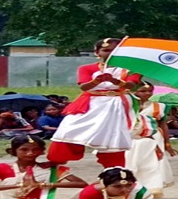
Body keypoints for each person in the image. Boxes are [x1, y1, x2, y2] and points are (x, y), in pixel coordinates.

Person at [49, 38, 139, 167]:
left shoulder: (130, 69)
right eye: (106, 50)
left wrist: (115, 81)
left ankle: (113, 169)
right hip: (91, 103)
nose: (110, 53)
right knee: (68, 129)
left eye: (115, 50)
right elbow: (84, 87)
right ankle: (56, 163)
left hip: (116, 105)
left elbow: (131, 86)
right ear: (97, 52)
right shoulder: (86, 68)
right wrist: (96, 81)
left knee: (113, 138)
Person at [127, 84, 177, 199]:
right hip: (132, 136)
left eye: (150, 91)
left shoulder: (159, 106)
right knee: (132, 161)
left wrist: (167, 144)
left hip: (153, 136)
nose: (147, 93)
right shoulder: (127, 105)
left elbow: (163, 124)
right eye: (143, 91)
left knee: (154, 161)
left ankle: (153, 188)